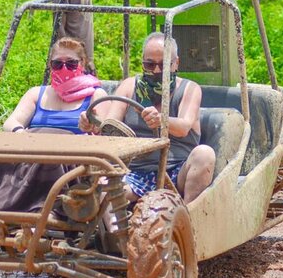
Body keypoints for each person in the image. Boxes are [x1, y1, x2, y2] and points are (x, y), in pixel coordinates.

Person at [0, 37, 109, 217]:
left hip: (70, 158)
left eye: (71, 64)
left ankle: (36, 213)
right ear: (50, 65)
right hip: (32, 150)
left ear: (82, 63)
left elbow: (102, 128)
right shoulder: (37, 93)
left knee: (47, 161)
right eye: (57, 64)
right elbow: (10, 122)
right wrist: (20, 133)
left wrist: (90, 124)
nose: (64, 69)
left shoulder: (95, 95)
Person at [79, 32, 216, 203]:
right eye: (150, 64)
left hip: (175, 170)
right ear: (143, 62)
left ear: (176, 64)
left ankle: (189, 219)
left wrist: (161, 120)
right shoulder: (129, 86)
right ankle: (114, 229)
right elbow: (109, 125)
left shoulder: (189, 89)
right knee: (101, 190)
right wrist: (91, 122)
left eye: (163, 65)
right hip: (134, 173)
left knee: (205, 154)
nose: (157, 70)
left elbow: (183, 127)